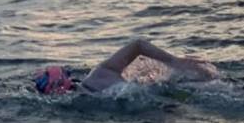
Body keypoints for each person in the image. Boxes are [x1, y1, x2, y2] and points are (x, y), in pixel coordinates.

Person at [34, 38, 217, 95]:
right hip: (170, 93)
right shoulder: (100, 74)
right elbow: (137, 45)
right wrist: (173, 61)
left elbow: (137, 45)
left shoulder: (81, 107)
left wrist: (174, 61)